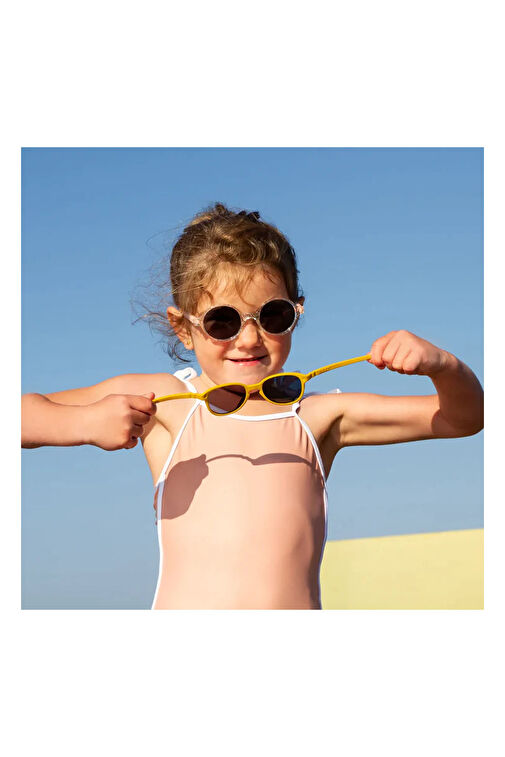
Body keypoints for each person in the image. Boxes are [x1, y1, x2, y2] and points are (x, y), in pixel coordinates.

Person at [21, 203, 484, 610]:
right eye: (222, 322)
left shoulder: (320, 417)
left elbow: (464, 418)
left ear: (296, 311)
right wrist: (83, 422)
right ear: (183, 329)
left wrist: (443, 366)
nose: (248, 339)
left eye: (272, 316)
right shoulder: (165, 403)